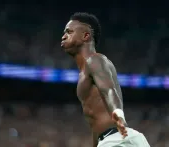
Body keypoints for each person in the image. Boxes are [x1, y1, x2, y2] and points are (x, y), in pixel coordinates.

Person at [61, 12, 150, 147]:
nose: (63, 36)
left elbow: (108, 89)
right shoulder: (85, 71)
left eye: (69, 32)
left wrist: (118, 115)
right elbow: (95, 122)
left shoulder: (95, 60)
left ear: (86, 35)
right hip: (115, 139)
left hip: (117, 139)